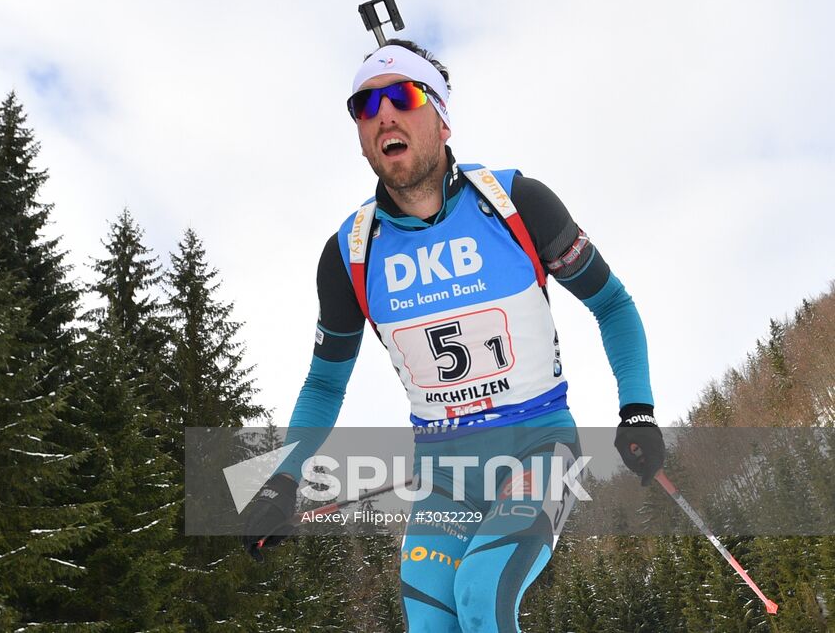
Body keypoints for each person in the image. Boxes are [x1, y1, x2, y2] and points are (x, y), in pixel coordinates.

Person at [240, 41, 665, 633]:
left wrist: (637, 410)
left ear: (441, 118)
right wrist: (284, 477)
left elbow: (613, 305)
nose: (384, 113)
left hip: (537, 449)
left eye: (403, 95)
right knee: (431, 618)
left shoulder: (516, 202)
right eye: (365, 105)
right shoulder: (350, 253)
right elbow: (325, 380)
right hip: (444, 474)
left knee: (480, 593)